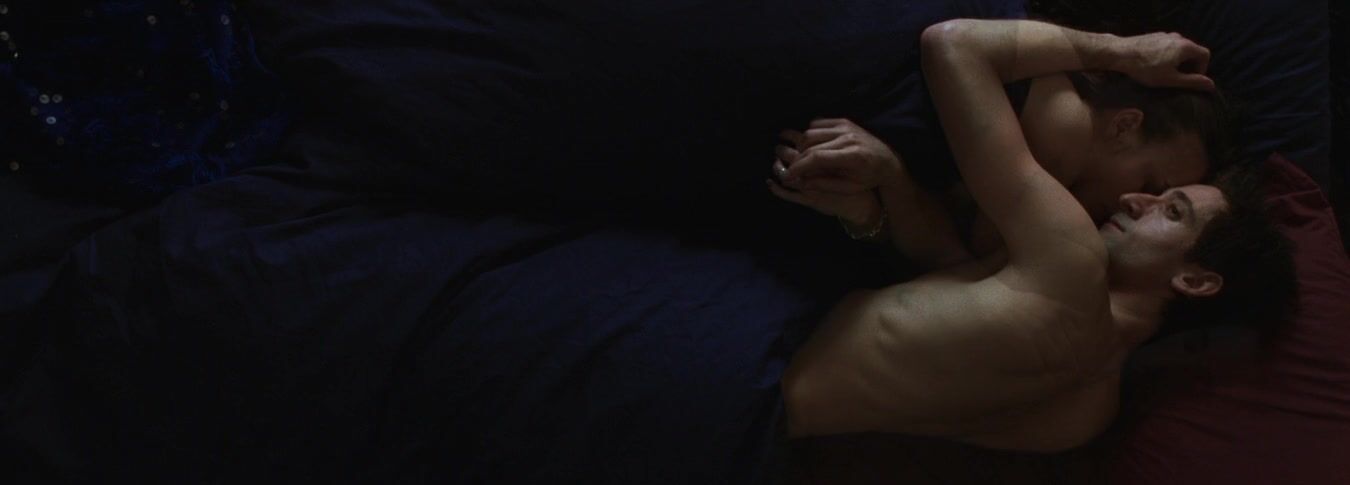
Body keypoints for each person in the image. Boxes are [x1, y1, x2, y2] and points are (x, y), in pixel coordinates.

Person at [777, 19, 1295, 452]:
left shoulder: (1072, 259)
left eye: (1171, 208)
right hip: (770, 434)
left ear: (1196, 280)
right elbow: (948, 306)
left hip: (761, 360)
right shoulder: (1087, 417)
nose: (1134, 200)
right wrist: (886, 187)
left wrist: (1124, 53)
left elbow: (952, 43)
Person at [770, 33, 1233, 269]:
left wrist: (882, 197)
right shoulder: (1063, 137)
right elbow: (966, 265)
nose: (1134, 201)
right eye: (1150, 182)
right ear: (1125, 126)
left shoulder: (1049, 90)